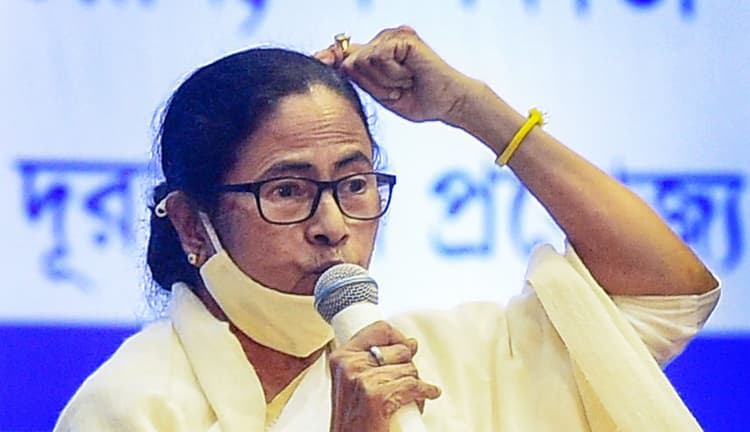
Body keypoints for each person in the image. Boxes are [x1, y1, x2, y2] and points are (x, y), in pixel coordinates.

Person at [54, 26, 719, 431]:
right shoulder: (132, 406)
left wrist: (473, 107)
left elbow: (667, 293)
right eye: (287, 191)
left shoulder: (456, 358)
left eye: (354, 185)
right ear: (192, 226)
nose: (332, 226)